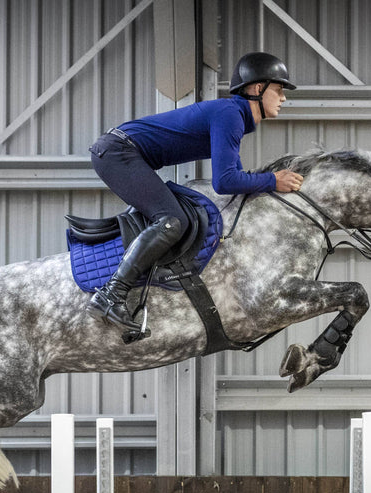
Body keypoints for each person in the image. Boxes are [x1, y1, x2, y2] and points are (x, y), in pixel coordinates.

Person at [86, 51, 305, 333]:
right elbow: (225, 182)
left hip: (121, 152)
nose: (283, 98)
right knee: (171, 221)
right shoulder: (231, 115)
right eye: (278, 89)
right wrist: (273, 180)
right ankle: (110, 294)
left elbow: (235, 178)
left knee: (175, 218)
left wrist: (265, 181)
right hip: (117, 152)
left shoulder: (232, 116)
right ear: (256, 88)